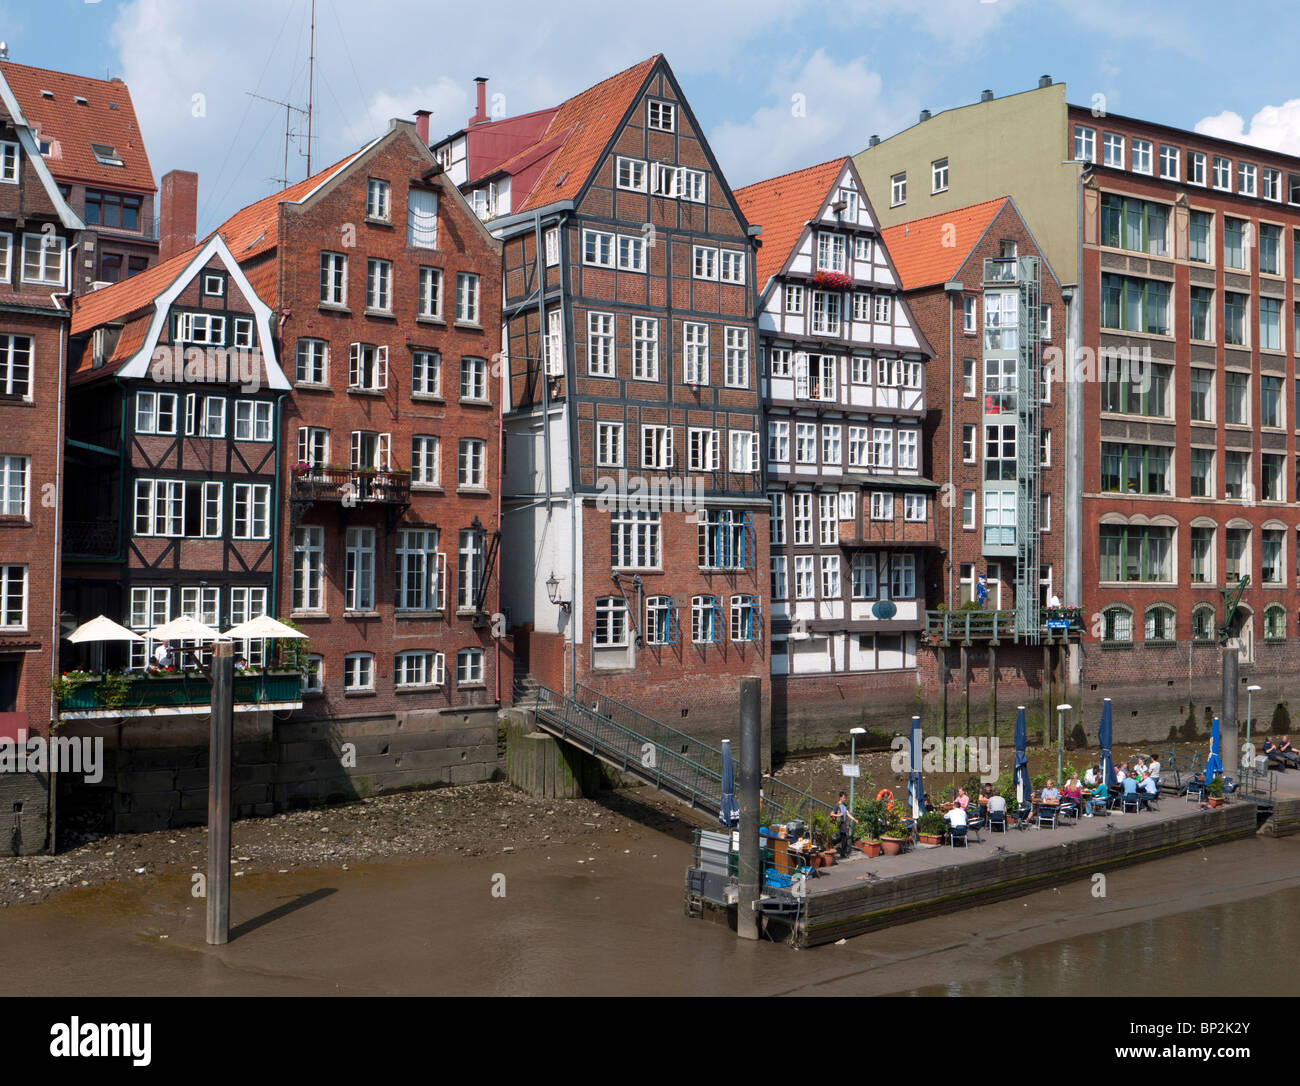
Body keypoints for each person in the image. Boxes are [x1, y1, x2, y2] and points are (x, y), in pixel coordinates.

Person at [831, 791, 857, 858]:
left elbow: (848, 814)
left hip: (844, 823)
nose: (845, 799)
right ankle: (842, 853)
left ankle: (832, 843)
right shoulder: (837, 805)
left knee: (842, 838)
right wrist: (839, 814)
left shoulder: (845, 805)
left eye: (845, 798)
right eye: (844, 797)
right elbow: (831, 814)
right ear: (840, 797)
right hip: (840, 823)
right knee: (844, 837)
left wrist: (854, 819)